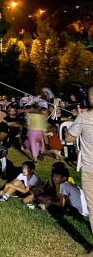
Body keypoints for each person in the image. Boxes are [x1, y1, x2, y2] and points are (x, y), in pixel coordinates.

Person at [64, 85, 93, 231]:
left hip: (90, 170)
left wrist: (78, 119)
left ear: (91, 98)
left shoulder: (83, 118)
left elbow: (68, 138)